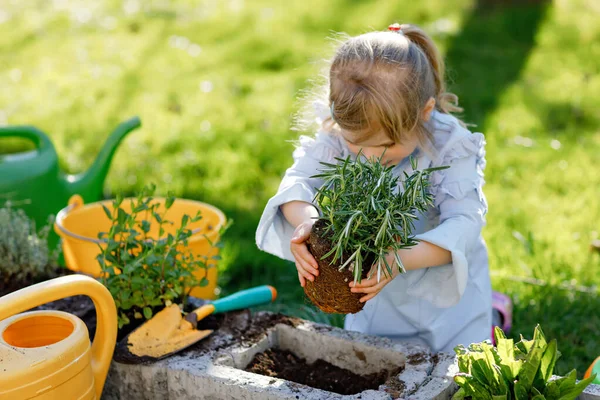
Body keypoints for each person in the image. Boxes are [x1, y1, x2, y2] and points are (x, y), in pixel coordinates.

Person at [255, 23, 495, 353]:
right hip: (374, 297)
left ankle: (495, 315)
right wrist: (307, 224)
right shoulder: (338, 130)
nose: (370, 157)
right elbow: (298, 182)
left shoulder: (449, 146)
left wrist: (397, 259)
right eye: (357, 145)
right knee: (380, 363)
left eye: (386, 144)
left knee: (453, 373)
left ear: (425, 112)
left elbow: (465, 224)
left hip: (448, 308)